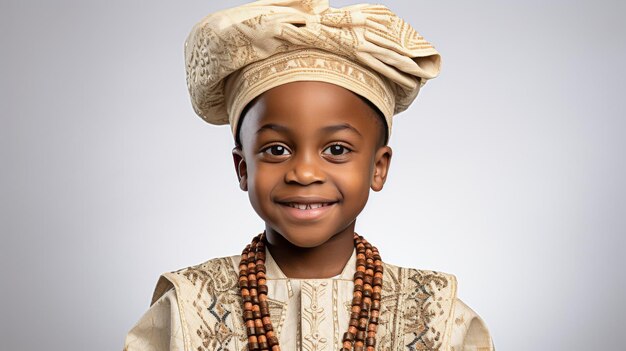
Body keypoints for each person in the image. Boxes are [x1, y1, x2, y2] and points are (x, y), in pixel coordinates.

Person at [124, 1, 494, 350]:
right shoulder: (187, 306)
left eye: (336, 150)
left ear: (378, 168)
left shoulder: (442, 315)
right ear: (243, 168)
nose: (303, 172)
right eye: (276, 150)